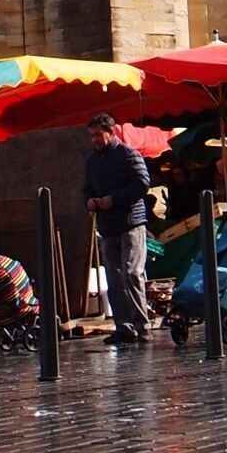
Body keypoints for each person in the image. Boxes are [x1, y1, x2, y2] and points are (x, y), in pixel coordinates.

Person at [83, 112, 152, 346]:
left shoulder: (127, 155)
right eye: (91, 135)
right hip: (107, 225)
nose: (94, 139)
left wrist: (116, 199)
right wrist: (90, 201)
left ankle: (143, 326)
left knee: (132, 273)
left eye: (98, 135)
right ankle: (124, 326)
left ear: (111, 133)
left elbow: (142, 183)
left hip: (130, 222)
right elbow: (87, 188)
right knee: (113, 278)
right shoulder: (92, 161)